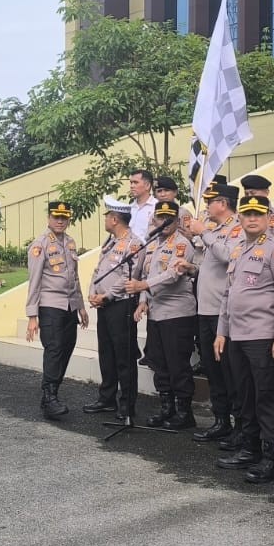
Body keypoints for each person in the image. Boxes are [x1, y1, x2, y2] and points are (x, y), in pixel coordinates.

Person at [214, 192, 274, 483]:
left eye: (258, 214)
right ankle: (249, 449)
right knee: (244, 394)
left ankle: (272, 458)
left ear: (268, 219)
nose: (252, 219)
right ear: (240, 218)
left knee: (266, 396)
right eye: (247, 214)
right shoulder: (237, 250)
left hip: (263, 336)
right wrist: (221, 331)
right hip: (236, 335)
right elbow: (228, 294)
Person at [125, 200, 199, 429]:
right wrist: (143, 301)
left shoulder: (181, 245)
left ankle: (184, 412)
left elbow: (171, 275)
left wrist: (142, 286)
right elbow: (150, 272)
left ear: (177, 221)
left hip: (177, 314)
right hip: (156, 313)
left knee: (178, 365)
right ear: (154, 220)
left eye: (169, 218)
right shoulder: (153, 244)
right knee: (159, 362)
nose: (164, 222)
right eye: (160, 218)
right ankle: (167, 407)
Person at [182, 183, 243, 441]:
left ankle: (240, 424)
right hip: (205, 309)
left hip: (223, 311)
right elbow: (209, 266)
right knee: (213, 369)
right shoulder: (215, 229)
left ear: (223, 203)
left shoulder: (237, 228)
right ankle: (221, 420)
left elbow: (229, 256)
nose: (207, 206)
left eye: (210, 201)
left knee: (230, 370)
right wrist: (190, 268)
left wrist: (204, 233)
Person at [24, 201, 89, 420]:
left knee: (68, 346)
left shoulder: (70, 242)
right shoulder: (40, 244)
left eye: (64, 217)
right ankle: (49, 396)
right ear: (49, 218)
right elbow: (33, 281)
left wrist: (80, 306)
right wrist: (32, 316)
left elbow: (75, 277)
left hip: (69, 305)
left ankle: (52, 393)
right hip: (50, 305)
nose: (60, 221)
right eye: (56, 217)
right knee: (54, 348)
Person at [84, 198, 145, 424]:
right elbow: (98, 270)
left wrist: (107, 295)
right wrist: (92, 292)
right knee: (106, 353)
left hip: (121, 305)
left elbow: (129, 277)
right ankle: (106, 398)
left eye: (107, 216)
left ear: (115, 219)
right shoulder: (110, 242)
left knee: (124, 357)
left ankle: (127, 404)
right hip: (105, 306)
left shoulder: (134, 244)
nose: (105, 220)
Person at [126, 169, 155, 243]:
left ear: (147, 185)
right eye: (131, 183)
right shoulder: (129, 208)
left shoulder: (157, 207)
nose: (132, 186)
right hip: (129, 252)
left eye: (135, 182)